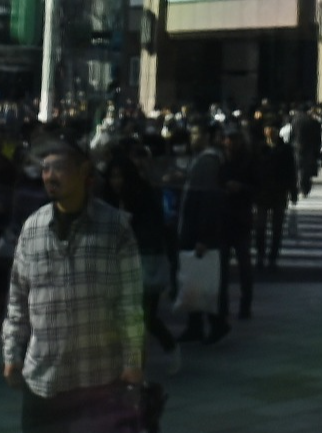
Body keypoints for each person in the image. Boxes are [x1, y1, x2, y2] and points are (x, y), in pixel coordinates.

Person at [3, 139, 145, 433]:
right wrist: (11, 353)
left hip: (98, 377)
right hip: (44, 377)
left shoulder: (115, 226)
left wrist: (133, 361)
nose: (50, 176)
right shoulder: (33, 228)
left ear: (84, 171)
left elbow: (130, 302)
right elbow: (18, 298)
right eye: (45, 169)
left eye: (59, 168)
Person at [101, 146, 177, 364]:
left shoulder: (144, 195)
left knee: (142, 315)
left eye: (120, 177)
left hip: (143, 260)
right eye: (112, 177)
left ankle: (147, 357)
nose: (116, 182)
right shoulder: (108, 199)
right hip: (118, 263)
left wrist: (131, 226)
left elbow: (156, 229)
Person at [175, 126, 229, 345]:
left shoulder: (207, 161)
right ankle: (196, 325)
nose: (192, 138)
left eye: (196, 134)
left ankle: (216, 323)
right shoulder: (202, 159)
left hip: (198, 230)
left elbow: (208, 201)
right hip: (194, 227)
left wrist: (203, 237)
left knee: (204, 279)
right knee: (195, 277)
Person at [218, 124, 257, 321]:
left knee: (244, 266)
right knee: (222, 268)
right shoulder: (220, 160)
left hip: (241, 217)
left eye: (234, 139)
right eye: (228, 139)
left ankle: (245, 305)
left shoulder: (248, 161)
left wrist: (241, 187)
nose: (230, 143)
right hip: (223, 218)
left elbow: (257, 187)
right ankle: (222, 306)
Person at [254, 122, 297, 270]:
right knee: (260, 226)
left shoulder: (285, 149)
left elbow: (292, 171)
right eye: (268, 128)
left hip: (279, 191)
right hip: (262, 191)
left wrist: (293, 191)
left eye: (273, 128)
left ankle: (272, 257)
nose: (270, 131)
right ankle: (261, 254)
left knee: (277, 228)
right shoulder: (259, 148)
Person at [293, 104, 322, 199]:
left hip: (297, 147)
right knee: (306, 169)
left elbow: (292, 134)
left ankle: (301, 187)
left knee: (299, 168)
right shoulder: (313, 121)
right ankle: (305, 188)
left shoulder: (295, 120)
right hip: (309, 148)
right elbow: (317, 136)